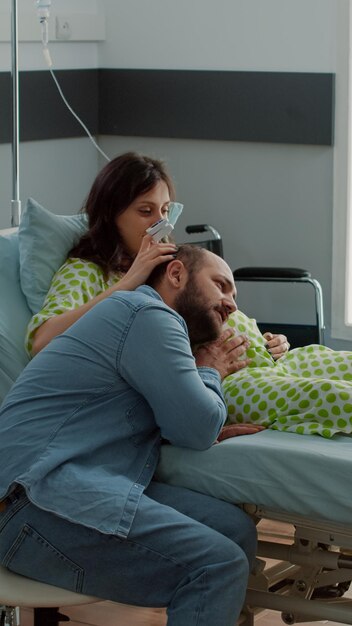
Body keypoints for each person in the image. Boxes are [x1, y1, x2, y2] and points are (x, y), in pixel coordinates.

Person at [0, 246, 262, 626]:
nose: (231, 305)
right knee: (218, 565)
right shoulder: (148, 314)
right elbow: (197, 428)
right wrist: (210, 372)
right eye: (221, 286)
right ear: (175, 274)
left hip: (73, 482)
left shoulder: (145, 325)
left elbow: (176, 423)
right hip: (30, 502)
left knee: (235, 530)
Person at [25, 151, 289, 361]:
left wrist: (265, 340)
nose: (161, 224)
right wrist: (128, 282)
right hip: (221, 376)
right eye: (145, 211)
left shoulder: (168, 267)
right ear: (111, 215)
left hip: (265, 359)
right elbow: (42, 342)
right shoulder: (86, 271)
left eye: (164, 210)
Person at [222, 308, 352, 438]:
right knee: (332, 393)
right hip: (235, 380)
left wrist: (267, 341)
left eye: (232, 293)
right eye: (220, 286)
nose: (232, 304)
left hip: (278, 361)